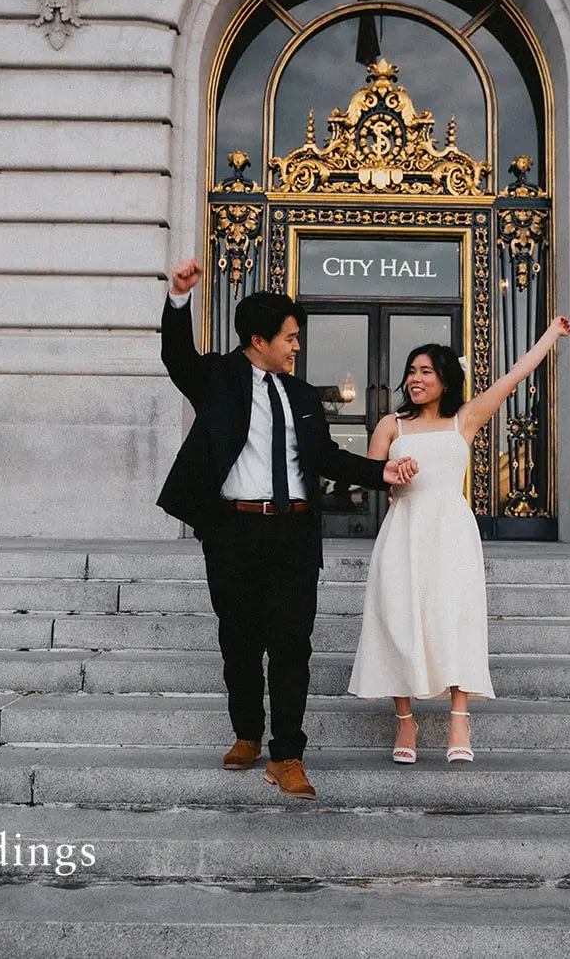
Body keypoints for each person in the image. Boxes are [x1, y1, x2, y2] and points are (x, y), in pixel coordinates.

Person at [156, 258, 419, 799]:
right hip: (234, 531)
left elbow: (324, 457)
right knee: (239, 642)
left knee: (293, 645)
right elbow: (176, 358)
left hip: (295, 535)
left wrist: (380, 471)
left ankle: (288, 754)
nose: (297, 346)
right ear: (259, 339)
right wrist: (179, 298)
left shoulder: (301, 395)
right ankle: (247, 735)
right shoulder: (219, 378)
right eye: (290, 337)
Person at [347, 316, 570, 764]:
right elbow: (367, 479)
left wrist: (550, 334)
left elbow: (514, 377)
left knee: (454, 616)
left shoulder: (463, 421)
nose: (414, 379)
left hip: (450, 530)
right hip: (403, 531)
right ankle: (405, 720)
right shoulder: (391, 425)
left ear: (445, 379)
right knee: (399, 616)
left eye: (425, 372)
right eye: (411, 371)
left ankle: (459, 716)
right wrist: (392, 475)